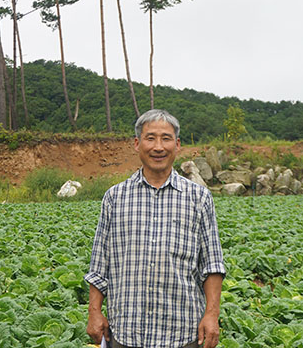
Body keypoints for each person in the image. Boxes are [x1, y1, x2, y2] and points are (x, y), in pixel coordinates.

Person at [85, 109, 226, 348]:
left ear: (177, 144)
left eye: (166, 138)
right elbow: (100, 264)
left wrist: (211, 314)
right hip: (126, 332)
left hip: (182, 333)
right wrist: (94, 311)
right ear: (137, 144)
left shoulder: (199, 197)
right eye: (150, 138)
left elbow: (211, 264)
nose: (158, 147)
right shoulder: (115, 197)